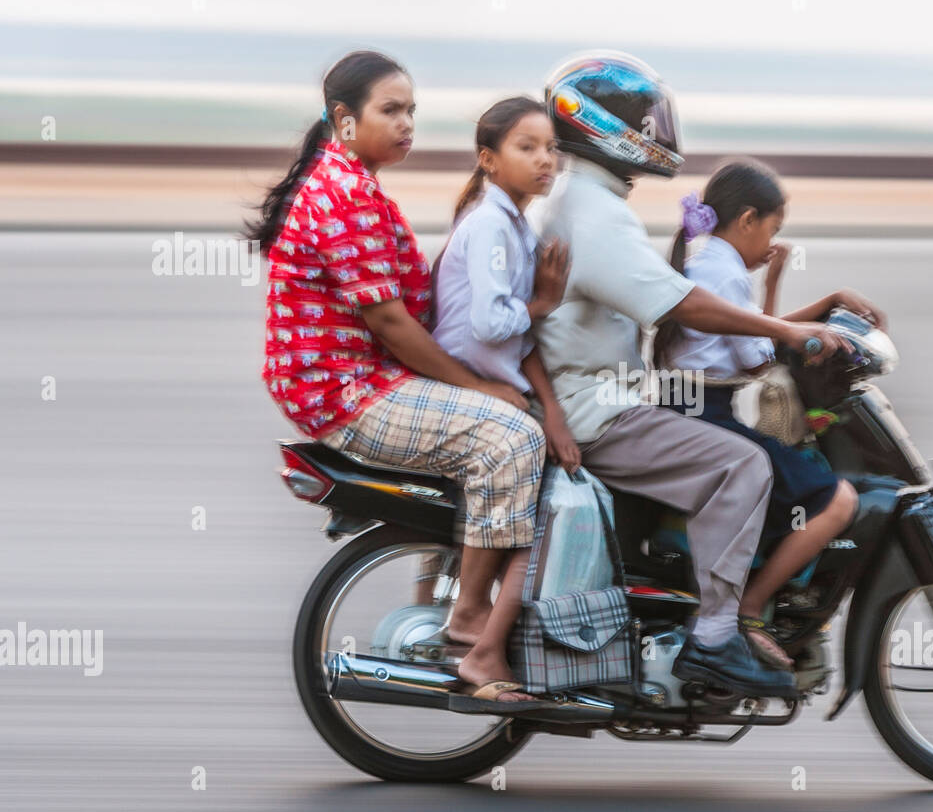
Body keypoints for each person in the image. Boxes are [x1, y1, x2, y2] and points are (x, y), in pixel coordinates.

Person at [526, 51, 849, 699]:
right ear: (598, 125)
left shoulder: (582, 200)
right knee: (743, 466)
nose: (653, 133)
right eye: (641, 122)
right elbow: (681, 304)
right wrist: (785, 331)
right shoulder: (593, 210)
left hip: (594, 397)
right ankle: (715, 635)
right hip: (596, 409)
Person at [250, 51, 544, 704]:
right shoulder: (342, 192)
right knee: (511, 439)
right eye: (392, 110)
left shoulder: (355, 180)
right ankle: (468, 622)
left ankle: (434, 599)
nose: (407, 123)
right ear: (344, 120)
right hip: (346, 389)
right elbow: (390, 323)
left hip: (365, 377)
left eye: (411, 110)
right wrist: (481, 387)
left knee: (492, 434)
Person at [655, 158, 888, 669]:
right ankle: (751, 607)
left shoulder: (707, 261)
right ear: (746, 220)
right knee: (837, 501)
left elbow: (751, 329)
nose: (771, 243)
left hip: (683, 411)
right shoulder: (726, 271)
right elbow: (760, 355)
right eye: (772, 230)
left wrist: (822, 303)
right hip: (707, 419)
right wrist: (809, 332)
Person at [429, 95, 580, 671]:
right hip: (466, 385)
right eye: (528, 147)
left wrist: (555, 412)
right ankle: (472, 613)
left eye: (551, 149)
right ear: (488, 159)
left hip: (492, 380)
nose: (546, 160)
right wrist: (542, 301)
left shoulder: (517, 224)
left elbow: (520, 343)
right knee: (551, 496)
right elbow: (494, 324)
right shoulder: (493, 224)